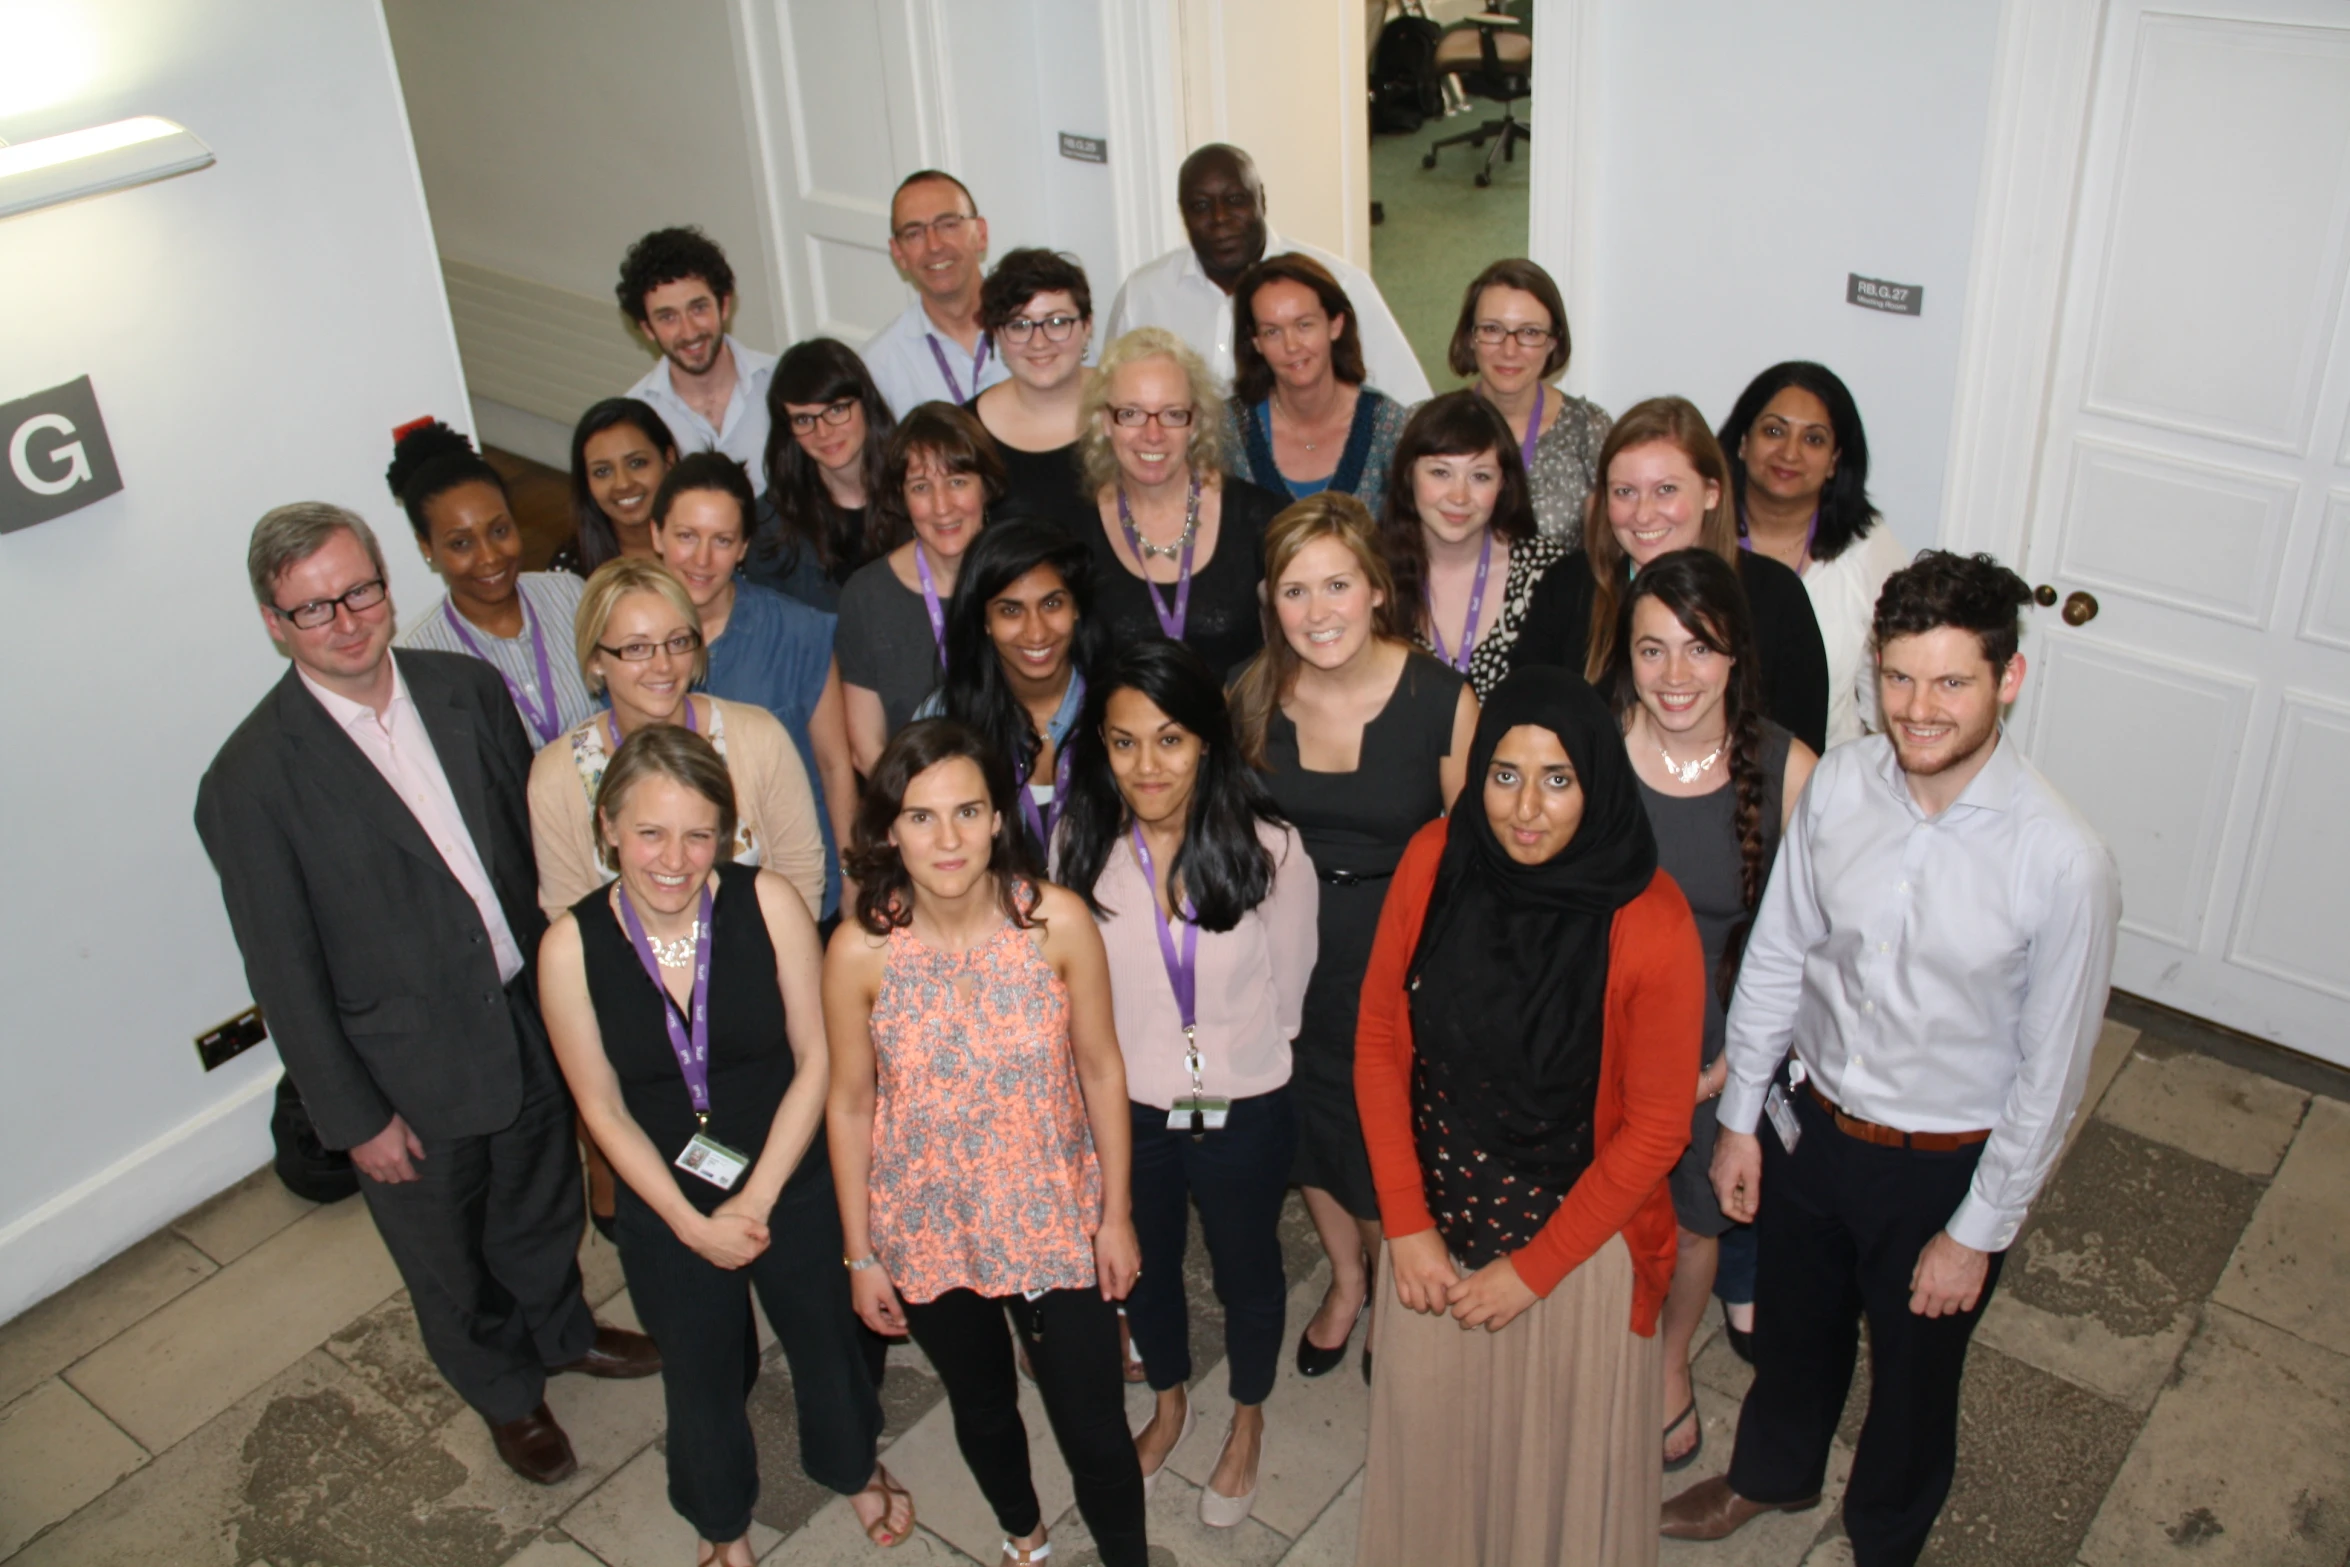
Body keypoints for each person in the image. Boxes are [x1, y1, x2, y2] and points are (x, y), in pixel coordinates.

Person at [1662, 552, 2120, 1567]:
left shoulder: (2061, 860)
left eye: (1951, 681)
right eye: (1898, 676)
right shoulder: (1842, 786)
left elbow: (2049, 1079)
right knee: (1793, 1334)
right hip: (1811, 1126)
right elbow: (1780, 949)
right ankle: (1769, 1474)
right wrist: (1739, 1120)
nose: (1916, 708)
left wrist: (1977, 1231)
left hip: (1941, 1163)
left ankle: (1883, 1537)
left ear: (2008, 680)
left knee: (1912, 1380)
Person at [195, 504, 658, 1489]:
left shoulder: (463, 689)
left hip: (525, 1015)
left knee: (541, 1204)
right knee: (449, 1258)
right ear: (273, 622)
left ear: (386, 584)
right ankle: (505, 1393)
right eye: (313, 607)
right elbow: (281, 970)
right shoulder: (250, 780)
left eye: (359, 590)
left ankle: (563, 1332)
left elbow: (521, 849)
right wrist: (353, 1115)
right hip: (403, 1068)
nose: (348, 620)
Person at [535, 726, 914, 1565]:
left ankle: (851, 1466)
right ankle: (722, 1527)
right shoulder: (568, 948)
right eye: (650, 832)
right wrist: (688, 1220)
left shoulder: (769, 901)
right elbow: (599, 1107)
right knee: (699, 1375)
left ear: (728, 835)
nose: (675, 857)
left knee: (826, 1339)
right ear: (607, 828)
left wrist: (759, 1196)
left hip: (790, 1169)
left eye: (699, 832)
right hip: (664, 1196)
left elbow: (817, 1057)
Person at [1354, 666, 1704, 1567]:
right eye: (1504, 774)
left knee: (1555, 1483)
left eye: (1558, 779)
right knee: (1435, 1466)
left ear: (1597, 780)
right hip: (1436, 1235)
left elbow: (1657, 1130)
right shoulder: (1437, 858)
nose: (1526, 809)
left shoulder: (1653, 921)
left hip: (1579, 1250)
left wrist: (1533, 1270)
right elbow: (1381, 1041)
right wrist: (1406, 1222)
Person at [824, 721, 1148, 1567]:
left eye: (968, 810)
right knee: (982, 1404)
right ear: (889, 828)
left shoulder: (1057, 924)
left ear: (1000, 817)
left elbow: (1104, 1071)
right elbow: (851, 1103)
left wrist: (1116, 1215)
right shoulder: (860, 948)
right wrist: (861, 1254)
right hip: (929, 1221)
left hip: (1049, 1213)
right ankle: (1026, 1540)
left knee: (1095, 1422)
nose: (948, 837)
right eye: (922, 816)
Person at [1055, 639, 1317, 1526]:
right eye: (1124, 742)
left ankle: (1247, 1417)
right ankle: (1171, 1401)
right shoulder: (1080, 842)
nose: (1146, 765)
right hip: (1128, 1109)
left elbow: (1289, 991)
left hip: (1244, 1102)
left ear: (1207, 739)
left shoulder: (1271, 848)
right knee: (1145, 1269)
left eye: (1169, 739)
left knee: (1248, 1269)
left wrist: (1228, 1059)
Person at [1230, 494, 1477, 1382]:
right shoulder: (1248, 695)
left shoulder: (1441, 699)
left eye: (1338, 583)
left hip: (1403, 961)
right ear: (1270, 600)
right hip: (1287, 960)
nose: (1318, 610)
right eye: (1295, 591)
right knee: (1309, 1133)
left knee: (1387, 1138)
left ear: (1377, 588)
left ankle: (1389, 1285)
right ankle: (1345, 1278)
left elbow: (1475, 860)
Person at [1607, 551, 1815, 1474]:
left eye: (1699, 649)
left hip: (1722, 1045)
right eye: (1653, 650)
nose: (1676, 675)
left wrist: (1730, 1069)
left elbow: (1811, 951)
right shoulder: (1595, 743)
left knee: (1695, 1222)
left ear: (1736, 654)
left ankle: (1667, 1359)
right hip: (1598, 1033)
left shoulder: (1790, 770)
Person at [1509, 396, 1831, 755]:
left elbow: (1797, 756)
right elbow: (1522, 727)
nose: (1643, 515)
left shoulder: (1775, 596)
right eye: (1625, 492)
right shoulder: (1569, 587)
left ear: (1711, 493)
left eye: (1666, 490)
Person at [529, 557, 827, 924]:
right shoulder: (556, 775)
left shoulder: (759, 737)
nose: (664, 665)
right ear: (595, 660)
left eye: (678, 641)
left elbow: (801, 875)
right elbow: (568, 916)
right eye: (637, 648)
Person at [649, 452, 856, 924]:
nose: (702, 559)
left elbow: (835, 764)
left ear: (743, 547)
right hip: (673, 896)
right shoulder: (630, 644)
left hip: (794, 886)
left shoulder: (800, 633)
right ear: (656, 534)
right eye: (686, 536)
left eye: (722, 540)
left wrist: (850, 874)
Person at [1106, 143, 1431, 402]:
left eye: (1235, 200)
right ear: (1182, 213)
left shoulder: (1337, 284)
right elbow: (1109, 401)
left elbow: (1410, 402)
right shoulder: (1142, 294)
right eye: (1201, 206)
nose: (1220, 218)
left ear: (1261, 199)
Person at [1718, 361, 1912, 749]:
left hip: (1824, 779)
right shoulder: (1696, 530)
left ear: (1835, 461)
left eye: (1814, 439)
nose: (1790, 453)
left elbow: (1891, 701)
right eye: (1774, 431)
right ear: (1742, 442)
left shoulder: (1869, 550)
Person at [1079, 328, 1286, 678]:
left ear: (1195, 422)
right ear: (1104, 422)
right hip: (1120, 732)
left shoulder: (1261, 519)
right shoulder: (1073, 530)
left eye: (1172, 414)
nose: (1153, 433)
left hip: (1240, 729)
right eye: (1131, 413)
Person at [386, 420, 596, 747]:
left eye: (499, 531)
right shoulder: (417, 656)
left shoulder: (569, 594)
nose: (489, 558)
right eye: (461, 544)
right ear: (427, 547)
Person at [920, 517, 1108, 865]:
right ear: (984, 622)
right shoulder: (943, 717)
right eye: (1011, 610)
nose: (1036, 633)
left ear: (1077, 608)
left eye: (1052, 604)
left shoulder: (1120, 706)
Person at [835, 403, 1004, 767]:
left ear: (986, 487)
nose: (942, 506)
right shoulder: (867, 597)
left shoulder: (1023, 576)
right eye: (921, 487)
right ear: (902, 496)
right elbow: (867, 749)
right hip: (916, 807)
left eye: (957, 482)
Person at [1377, 390, 1564, 702]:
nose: (1459, 496)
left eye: (1479, 476)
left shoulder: (1548, 573)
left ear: (1503, 483)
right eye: (1440, 473)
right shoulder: (1368, 570)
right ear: (1409, 475)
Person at [1223, 253, 1412, 514]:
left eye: (1304, 325)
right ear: (1256, 343)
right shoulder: (1225, 432)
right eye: (1272, 332)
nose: (1291, 346)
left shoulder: (1390, 428)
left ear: (1335, 325)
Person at [1453, 258, 1611, 547]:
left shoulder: (1587, 431)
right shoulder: (1428, 427)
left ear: (1553, 342)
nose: (1509, 350)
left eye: (1529, 333)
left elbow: (1606, 558)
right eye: (1492, 329)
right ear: (1470, 338)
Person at [616, 226, 778, 491]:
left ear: (724, 305)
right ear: (647, 328)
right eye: (668, 317)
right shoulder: (637, 419)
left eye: (698, 308)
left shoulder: (781, 381)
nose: (689, 331)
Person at [751, 338, 897, 612]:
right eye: (804, 419)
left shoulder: (918, 491)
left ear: (866, 404)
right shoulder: (769, 524)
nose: (823, 432)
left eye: (836, 409)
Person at [971, 247, 1097, 541]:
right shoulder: (966, 434)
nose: (1038, 342)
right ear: (997, 335)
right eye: (1019, 325)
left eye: (1056, 322)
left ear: (1086, 325)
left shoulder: (1132, 411)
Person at [860, 170, 1011, 417]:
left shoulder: (1042, 332)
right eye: (914, 234)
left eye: (949, 225)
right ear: (898, 253)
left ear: (981, 234)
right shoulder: (879, 368)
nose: (934, 245)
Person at [563, 398, 679, 576]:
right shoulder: (571, 571)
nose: (623, 484)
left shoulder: (717, 535)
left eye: (637, 463)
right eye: (602, 472)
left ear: (669, 460)